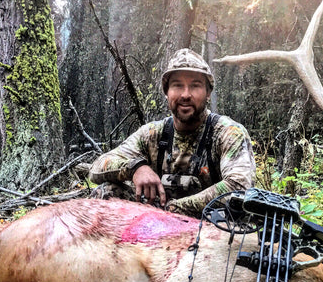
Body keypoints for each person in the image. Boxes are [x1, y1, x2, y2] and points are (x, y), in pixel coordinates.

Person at [89, 48, 255, 217]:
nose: (185, 94)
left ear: (208, 93)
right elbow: (98, 167)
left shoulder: (227, 132)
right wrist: (136, 168)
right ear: (166, 92)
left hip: (211, 227)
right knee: (106, 192)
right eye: (177, 86)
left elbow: (239, 186)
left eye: (195, 86)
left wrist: (173, 210)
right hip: (158, 225)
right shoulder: (153, 134)